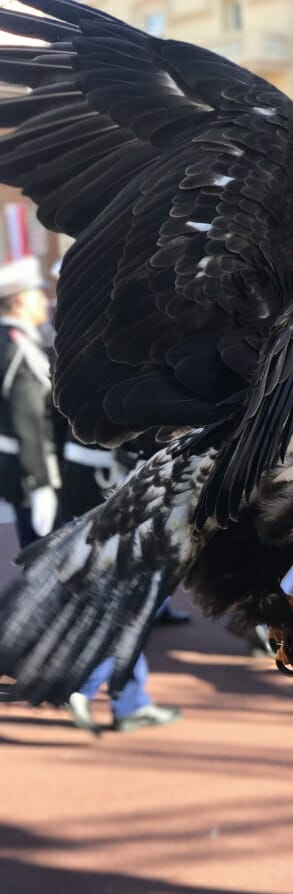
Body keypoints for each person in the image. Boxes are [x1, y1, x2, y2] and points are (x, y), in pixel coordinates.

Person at [58, 431, 182, 733]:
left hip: (85, 476)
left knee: (125, 597)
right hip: (124, 484)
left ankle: (130, 700)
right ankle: (87, 684)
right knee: (135, 600)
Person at [0, 256, 60, 547]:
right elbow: (29, 418)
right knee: (42, 558)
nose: (44, 301)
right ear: (20, 302)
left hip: (16, 466)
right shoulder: (18, 346)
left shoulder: (12, 340)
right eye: (37, 296)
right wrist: (40, 484)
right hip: (29, 471)